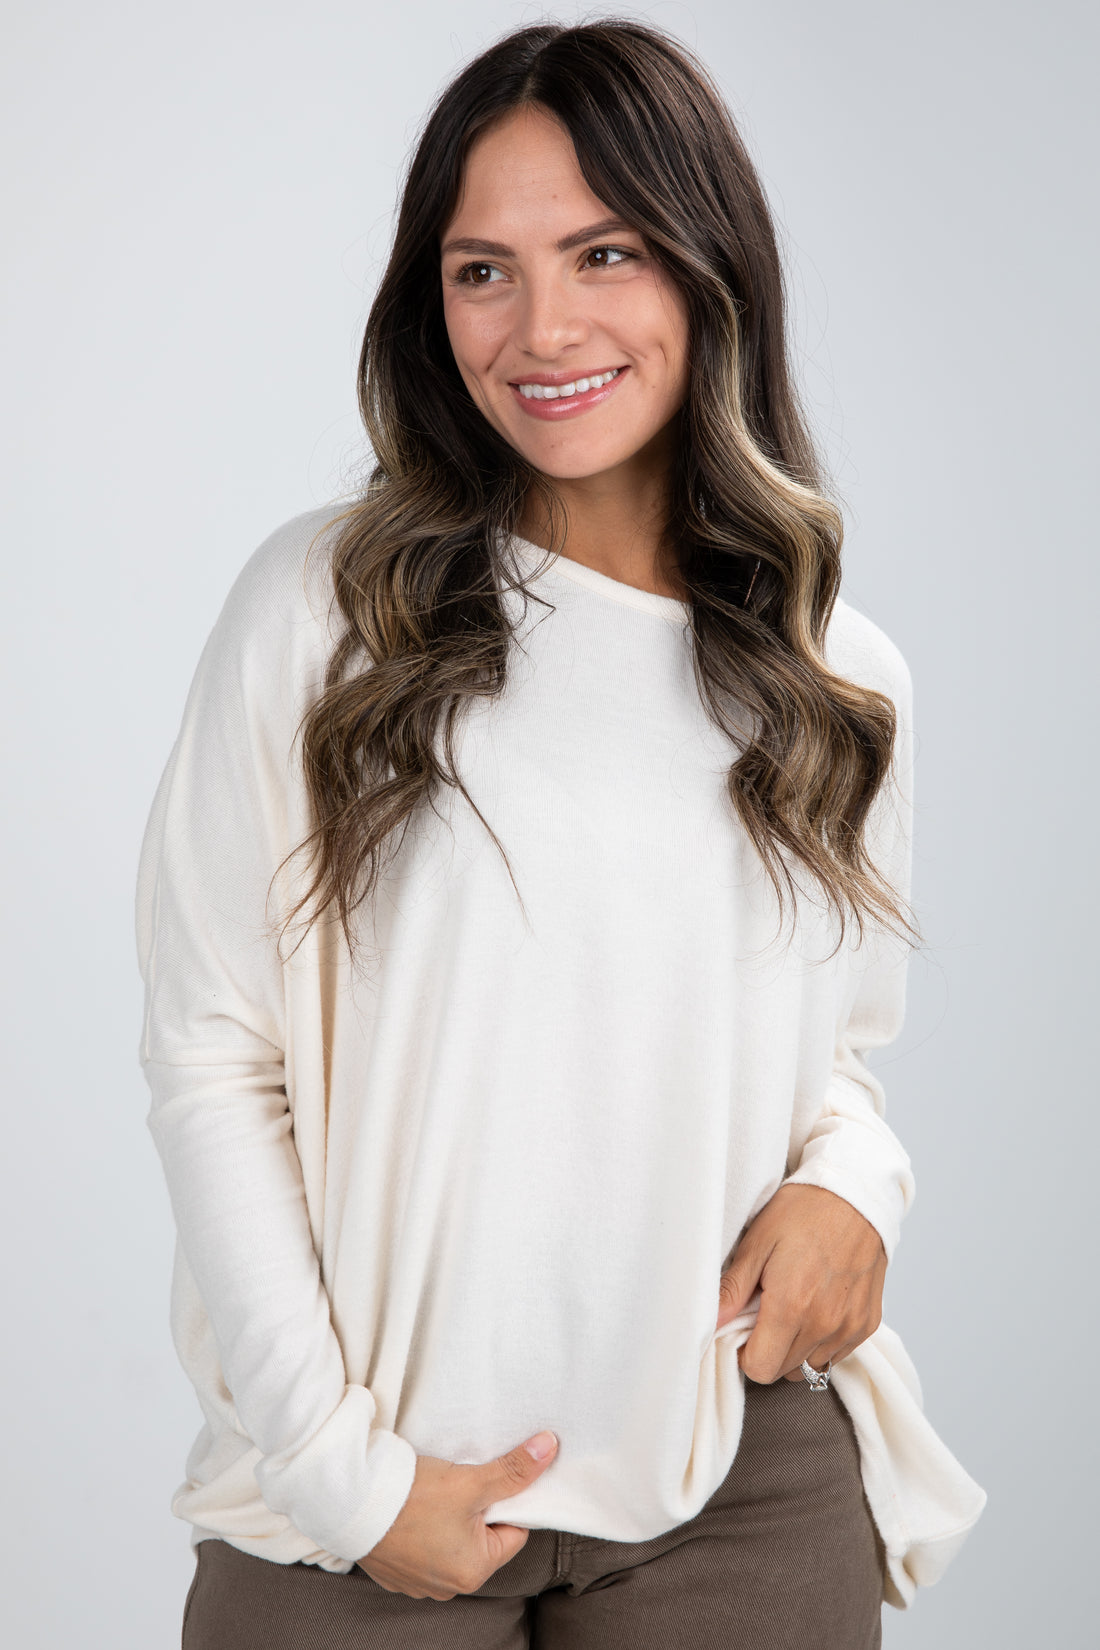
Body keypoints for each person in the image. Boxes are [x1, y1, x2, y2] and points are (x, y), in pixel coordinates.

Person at [135, 18, 986, 1649]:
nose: (544, 329)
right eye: (484, 271)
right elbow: (213, 1056)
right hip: (368, 1488)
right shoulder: (326, 614)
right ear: (431, 304)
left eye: (606, 252)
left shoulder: (834, 675)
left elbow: (830, 1059)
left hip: (733, 1474)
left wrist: (860, 1186)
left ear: (707, 268)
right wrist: (341, 1477)